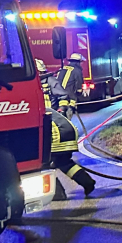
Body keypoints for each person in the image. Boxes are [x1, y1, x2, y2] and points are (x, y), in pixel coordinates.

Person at [35, 59, 95, 198]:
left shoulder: (50, 82)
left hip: (55, 128)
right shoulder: (38, 84)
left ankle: (57, 194)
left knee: (43, 163)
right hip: (56, 127)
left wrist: (61, 109)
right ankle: (87, 183)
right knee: (62, 162)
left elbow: (63, 95)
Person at [56, 53, 85, 119]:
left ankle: (61, 114)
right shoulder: (77, 71)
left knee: (62, 105)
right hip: (70, 95)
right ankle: (68, 123)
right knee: (70, 108)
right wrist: (79, 93)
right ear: (78, 62)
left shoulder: (63, 69)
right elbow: (79, 84)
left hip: (59, 93)